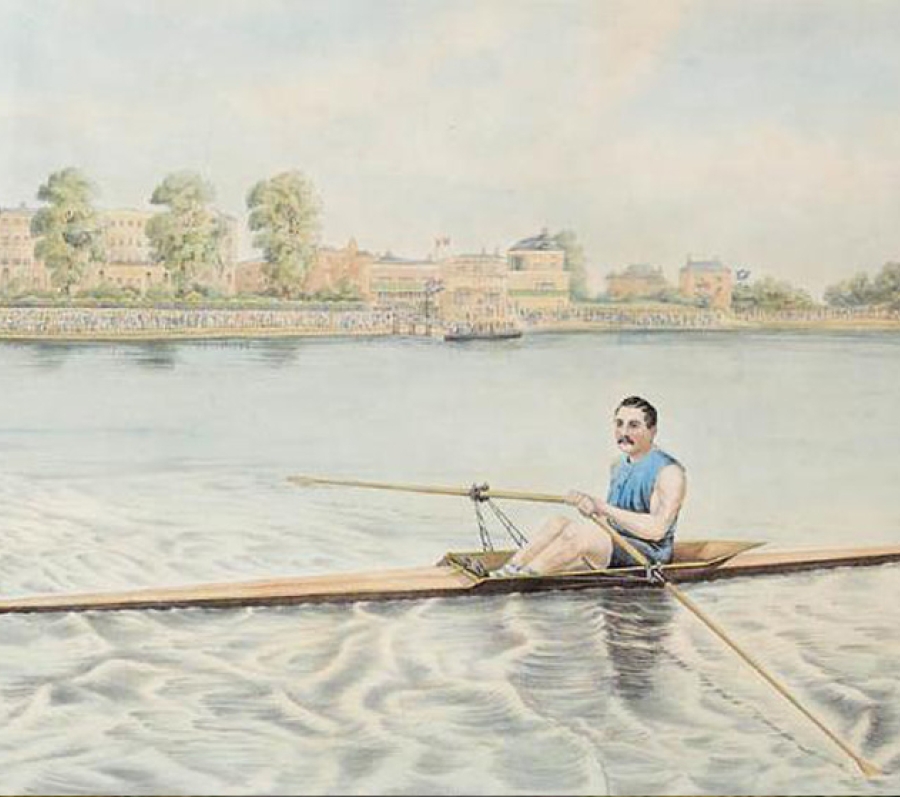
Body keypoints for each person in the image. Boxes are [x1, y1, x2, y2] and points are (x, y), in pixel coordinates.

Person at [493, 395, 686, 577]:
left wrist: (601, 507)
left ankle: (524, 578)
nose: (624, 433)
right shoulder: (618, 465)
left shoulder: (669, 472)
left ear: (652, 431)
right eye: (619, 424)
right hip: (616, 542)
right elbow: (612, 518)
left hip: (649, 556)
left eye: (633, 425)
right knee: (557, 523)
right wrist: (590, 508)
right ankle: (509, 570)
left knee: (581, 534)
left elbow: (657, 530)